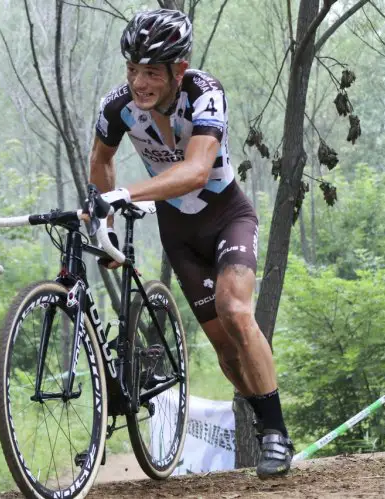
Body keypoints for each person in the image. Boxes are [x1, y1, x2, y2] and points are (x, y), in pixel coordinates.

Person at [88, 9, 293, 476]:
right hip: (178, 232)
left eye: (151, 72)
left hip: (227, 214)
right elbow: (101, 162)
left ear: (178, 70)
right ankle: (260, 413)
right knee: (224, 349)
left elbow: (197, 170)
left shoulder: (205, 92)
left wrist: (126, 194)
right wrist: (108, 226)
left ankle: (276, 433)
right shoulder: (116, 106)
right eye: (132, 70)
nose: (139, 82)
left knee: (236, 311)